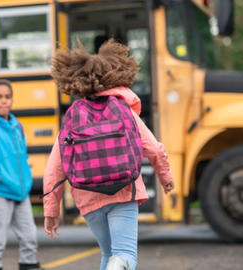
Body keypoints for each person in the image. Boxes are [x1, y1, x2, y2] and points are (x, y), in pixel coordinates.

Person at [43, 39, 174, 270]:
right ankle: (119, 263)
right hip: (124, 190)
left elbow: (55, 166)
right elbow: (153, 148)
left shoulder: (74, 115)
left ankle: (115, 263)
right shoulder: (123, 110)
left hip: (87, 196)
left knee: (107, 253)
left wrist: (51, 210)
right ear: (117, 75)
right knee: (123, 254)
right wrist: (165, 177)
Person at [0, 79, 42, 270]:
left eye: (7, 97)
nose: (4, 101)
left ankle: (29, 266)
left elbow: (21, 157)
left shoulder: (17, 126)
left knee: (30, 237)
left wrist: (24, 180)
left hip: (21, 193)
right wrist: (0, 177)